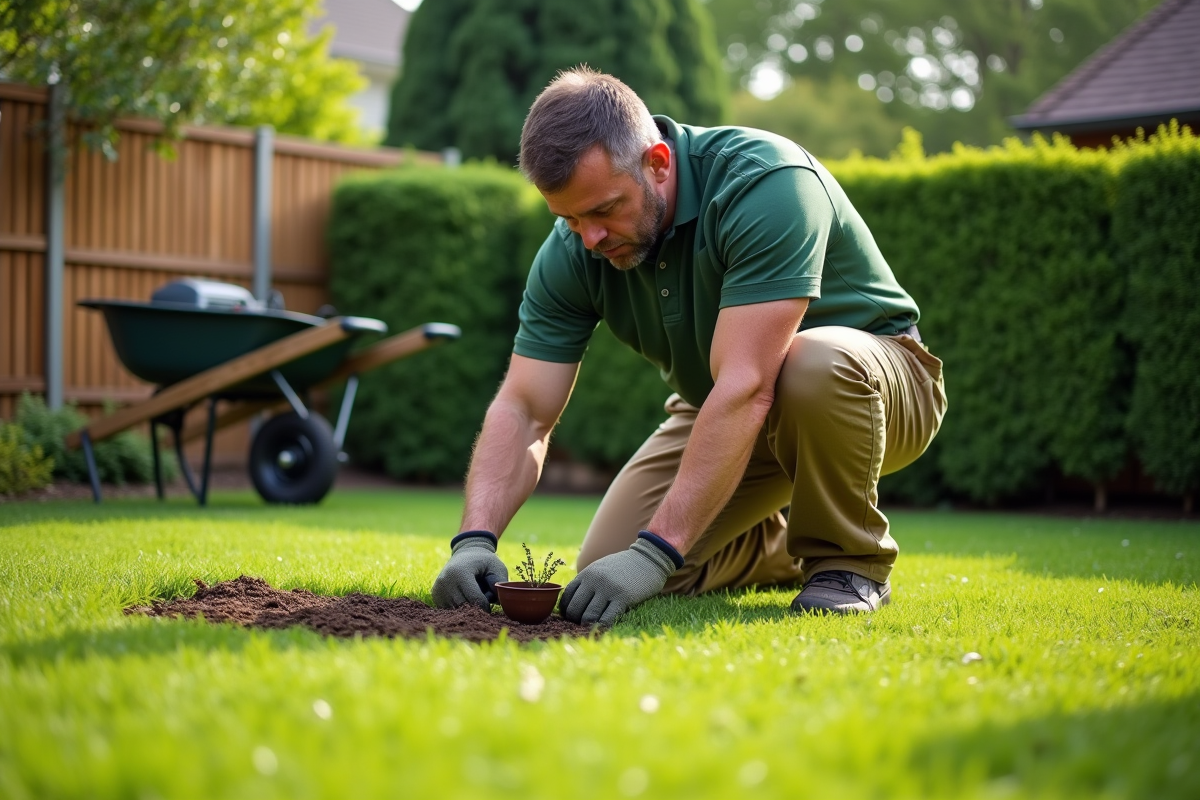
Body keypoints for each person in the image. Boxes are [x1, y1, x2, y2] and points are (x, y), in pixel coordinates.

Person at [431, 67, 946, 625]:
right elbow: (525, 408)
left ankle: (848, 563)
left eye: (603, 209)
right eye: (570, 217)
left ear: (657, 163)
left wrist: (656, 553)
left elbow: (749, 383)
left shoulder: (765, 182)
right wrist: (474, 539)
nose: (590, 238)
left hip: (876, 387)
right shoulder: (573, 250)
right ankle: (772, 546)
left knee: (808, 362)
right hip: (721, 407)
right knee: (608, 567)